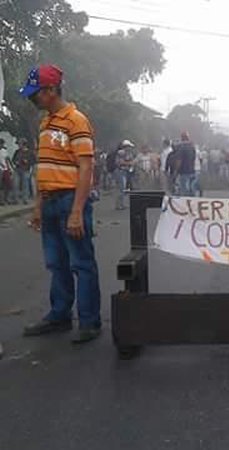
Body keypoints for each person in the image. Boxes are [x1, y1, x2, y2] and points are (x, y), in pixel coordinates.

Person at [19, 64, 101, 343]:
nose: (33, 100)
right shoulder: (45, 124)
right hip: (51, 200)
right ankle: (60, 314)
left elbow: (86, 168)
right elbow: (44, 167)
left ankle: (90, 322)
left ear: (51, 91)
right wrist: (38, 206)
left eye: (36, 94)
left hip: (70, 200)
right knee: (56, 263)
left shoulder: (76, 120)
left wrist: (77, 211)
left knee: (81, 263)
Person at [11, 139, 35, 205]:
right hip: (17, 170)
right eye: (18, 144)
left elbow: (33, 161)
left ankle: (25, 199)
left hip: (25, 170)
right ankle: (15, 199)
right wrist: (15, 162)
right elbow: (13, 159)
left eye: (20, 144)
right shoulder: (17, 151)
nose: (19, 145)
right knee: (15, 184)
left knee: (25, 185)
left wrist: (27, 162)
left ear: (24, 144)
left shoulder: (30, 152)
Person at [174, 132, 196, 197]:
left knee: (184, 188)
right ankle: (193, 201)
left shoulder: (182, 148)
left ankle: (186, 202)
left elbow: (179, 160)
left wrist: (176, 170)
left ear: (182, 138)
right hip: (191, 170)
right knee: (191, 188)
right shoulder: (192, 147)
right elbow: (194, 159)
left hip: (184, 171)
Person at [115, 140, 136, 210]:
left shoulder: (128, 153)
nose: (130, 148)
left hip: (125, 172)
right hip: (121, 171)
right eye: (128, 146)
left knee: (123, 188)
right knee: (121, 188)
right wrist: (129, 163)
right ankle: (119, 205)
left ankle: (121, 204)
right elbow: (119, 162)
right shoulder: (121, 153)